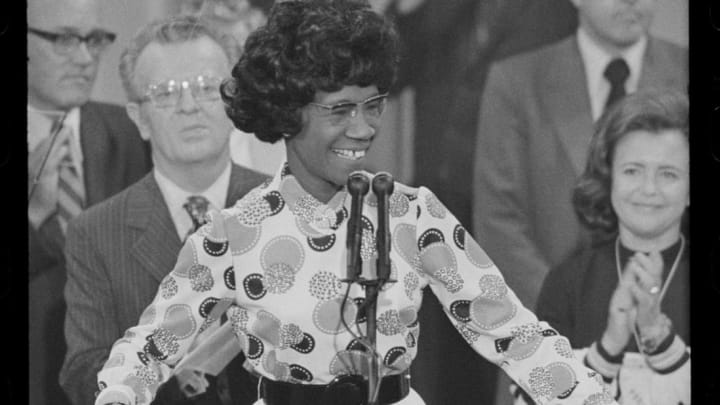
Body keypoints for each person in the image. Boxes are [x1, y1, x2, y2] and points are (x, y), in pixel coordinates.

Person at [92, 2, 617, 405]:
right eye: (340, 109)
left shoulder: (414, 216)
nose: (363, 129)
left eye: (373, 105)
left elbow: (513, 334)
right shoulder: (234, 234)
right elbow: (146, 349)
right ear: (288, 110)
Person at [60, 15, 268, 405]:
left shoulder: (286, 206)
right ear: (139, 118)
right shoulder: (95, 232)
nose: (189, 106)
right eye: (166, 93)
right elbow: (82, 372)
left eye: (207, 87)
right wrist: (162, 374)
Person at [471, 0, 688, 314]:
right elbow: (498, 222)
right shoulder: (516, 82)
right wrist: (573, 312)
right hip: (544, 330)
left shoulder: (682, 72)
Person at [517, 90, 690, 404]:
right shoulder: (566, 282)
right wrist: (608, 348)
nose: (648, 189)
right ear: (609, 178)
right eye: (632, 171)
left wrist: (658, 338)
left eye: (668, 174)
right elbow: (529, 398)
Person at [27, 0, 152, 404]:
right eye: (63, 39)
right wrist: (34, 213)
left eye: (94, 40)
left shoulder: (132, 131)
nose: (84, 58)